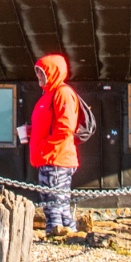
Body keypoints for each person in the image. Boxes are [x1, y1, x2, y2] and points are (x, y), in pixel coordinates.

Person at [21, 53, 82, 238]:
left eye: (42, 72)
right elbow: (49, 124)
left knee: (53, 201)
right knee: (56, 201)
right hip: (48, 158)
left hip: (56, 159)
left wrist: (44, 147)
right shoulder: (47, 95)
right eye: (38, 72)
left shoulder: (62, 93)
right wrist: (32, 131)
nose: (38, 76)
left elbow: (65, 127)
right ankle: (66, 233)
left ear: (52, 72)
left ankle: (55, 234)